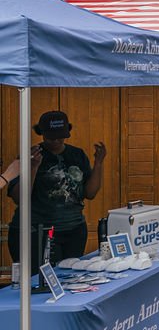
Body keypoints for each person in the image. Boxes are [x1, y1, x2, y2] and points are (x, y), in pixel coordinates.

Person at [8, 111, 105, 267]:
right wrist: (33, 167)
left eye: (61, 136)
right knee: (40, 281)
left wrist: (98, 163)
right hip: (37, 232)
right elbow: (20, 198)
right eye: (51, 137)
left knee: (68, 278)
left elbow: (90, 193)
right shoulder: (31, 155)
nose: (56, 141)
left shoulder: (77, 154)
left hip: (74, 229)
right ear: (42, 134)